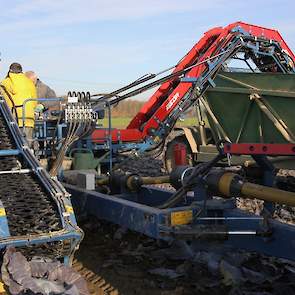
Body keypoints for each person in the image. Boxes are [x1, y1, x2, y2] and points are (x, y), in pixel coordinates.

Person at [0, 63, 37, 146]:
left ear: (10, 71)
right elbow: (34, 102)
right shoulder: (29, 82)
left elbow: (3, 101)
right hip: (28, 119)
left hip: (13, 119)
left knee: (14, 145)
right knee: (27, 146)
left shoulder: (4, 83)